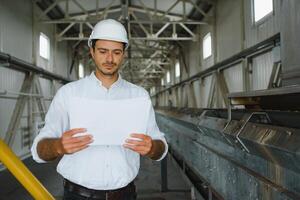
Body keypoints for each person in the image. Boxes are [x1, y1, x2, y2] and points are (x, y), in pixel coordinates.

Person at [31, 19, 168, 200]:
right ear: (92, 52)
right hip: (77, 195)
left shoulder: (139, 96)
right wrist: (58, 146)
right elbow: (39, 150)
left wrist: (152, 148)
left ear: (124, 54)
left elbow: (161, 146)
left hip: (125, 195)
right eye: (103, 51)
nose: (110, 59)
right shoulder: (69, 94)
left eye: (116, 52)